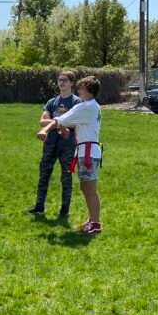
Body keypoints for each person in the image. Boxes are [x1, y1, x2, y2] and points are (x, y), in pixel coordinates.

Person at [39, 75, 102, 234]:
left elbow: (60, 120)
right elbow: (66, 122)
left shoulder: (86, 106)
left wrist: (44, 130)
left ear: (89, 90)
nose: (79, 91)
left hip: (87, 152)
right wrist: (62, 128)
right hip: (86, 151)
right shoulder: (90, 106)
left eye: (81, 88)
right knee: (85, 187)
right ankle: (92, 220)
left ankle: (95, 224)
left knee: (90, 189)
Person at [27, 72, 81, 219]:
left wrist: (54, 121)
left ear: (71, 83)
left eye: (65, 80)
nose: (61, 82)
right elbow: (42, 122)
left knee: (66, 177)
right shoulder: (52, 102)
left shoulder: (77, 102)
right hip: (50, 143)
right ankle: (39, 206)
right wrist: (61, 122)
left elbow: (75, 123)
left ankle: (64, 210)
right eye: (59, 80)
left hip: (67, 144)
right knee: (44, 174)